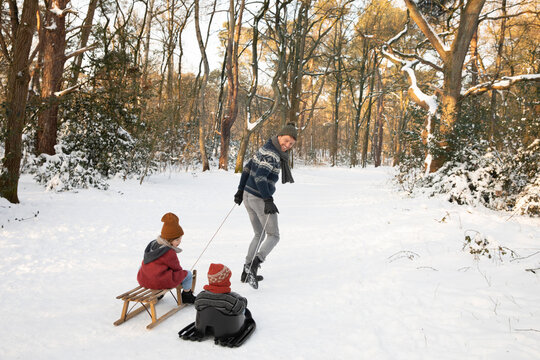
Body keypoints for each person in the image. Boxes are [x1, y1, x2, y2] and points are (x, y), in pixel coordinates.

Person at [234, 123, 297, 287]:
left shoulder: (265, 147)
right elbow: (260, 177)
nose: (287, 145)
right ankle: (254, 265)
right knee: (273, 235)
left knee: (259, 234)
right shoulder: (273, 154)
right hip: (259, 197)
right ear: (280, 136)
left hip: (249, 196)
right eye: (286, 140)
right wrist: (268, 199)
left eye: (291, 143)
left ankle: (246, 270)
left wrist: (241, 191)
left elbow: (248, 168)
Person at [137, 212, 196, 304]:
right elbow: (177, 269)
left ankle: (159, 293)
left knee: (144, 266)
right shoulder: (169, 252)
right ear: (169, 239)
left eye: (180, 239)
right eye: (177, 240)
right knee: (187, 274)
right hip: (159, 282)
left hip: (144, 280)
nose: (179, 242)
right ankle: (187, 295)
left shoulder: (153, 244)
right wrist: (180, 274)